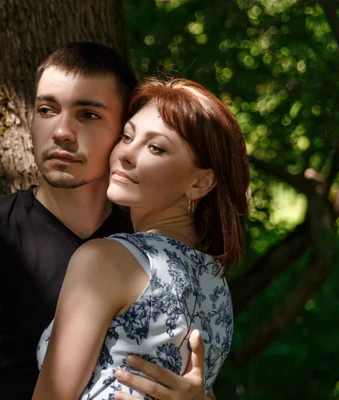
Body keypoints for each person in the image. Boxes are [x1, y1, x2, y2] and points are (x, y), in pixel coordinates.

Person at [0, 42, 215, 400]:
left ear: (123, 133)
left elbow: (187, 375)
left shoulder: (143, 253)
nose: (62, 131)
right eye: (47, 109)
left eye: (88, 115)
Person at [32, 77, 250, 399]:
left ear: (201, 183)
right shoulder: (215, 286)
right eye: (127, 136)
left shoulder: (104, 260)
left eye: (156, 147)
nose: (126, 154)